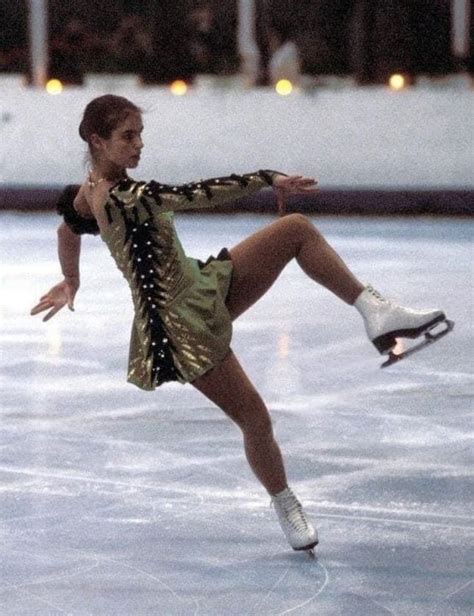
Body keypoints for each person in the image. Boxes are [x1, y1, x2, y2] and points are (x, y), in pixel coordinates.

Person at [30, 94, 447, 553]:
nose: (139, 145)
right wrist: (267, 178)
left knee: (296, 230)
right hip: (179, 325)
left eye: (141, 135)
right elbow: (201, 193)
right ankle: (284, 503)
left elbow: (66, 228)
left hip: (203, 285)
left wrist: (71, 280)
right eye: (128, 137)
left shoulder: (89, 190)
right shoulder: (128, 197)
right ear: (98, 140)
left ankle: (376, 312)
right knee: (254, 416)